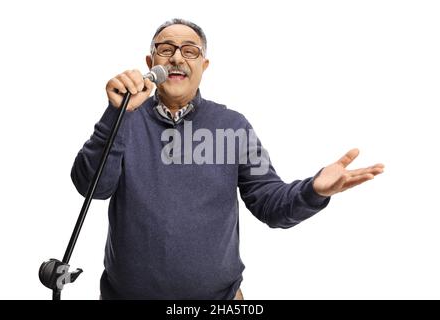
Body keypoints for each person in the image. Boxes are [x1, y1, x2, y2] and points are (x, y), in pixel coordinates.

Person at [71, 18, 384, 300]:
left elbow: (269, 203)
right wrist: (116, 114)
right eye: (166, 50)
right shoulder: (126, 118)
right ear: (150, 62)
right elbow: (91, 187)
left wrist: (313, 191)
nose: (177, 57)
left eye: (190, 51)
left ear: (204, 65)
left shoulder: (233, 126)